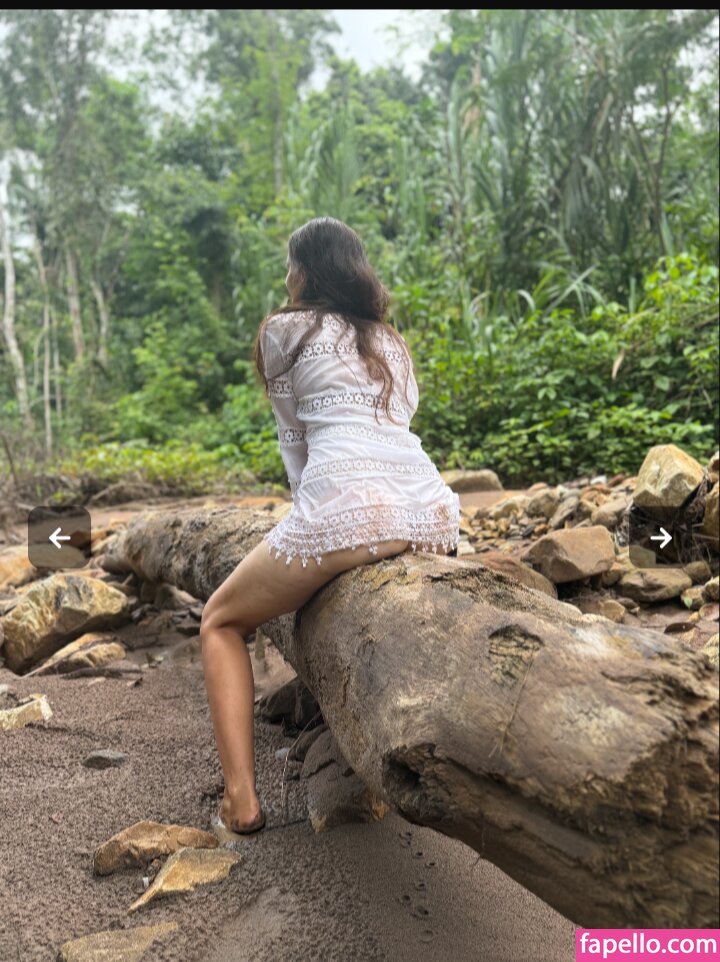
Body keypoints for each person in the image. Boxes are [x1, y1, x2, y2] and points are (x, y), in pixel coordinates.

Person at [200, 217, 460, 835]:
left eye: (289, 266)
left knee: (220, 620)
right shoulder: (389, 340)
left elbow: (296, 444)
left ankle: (241, 801)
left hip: (344, 510)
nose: (286, 278)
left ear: (305, 271)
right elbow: (396, 424)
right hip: (430, 511)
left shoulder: (284, 330)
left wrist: (306, 527)